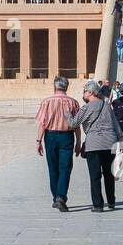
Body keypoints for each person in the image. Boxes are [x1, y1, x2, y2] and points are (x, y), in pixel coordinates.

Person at [65, 80, 120, 212]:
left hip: (94, 144)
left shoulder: (86, 107)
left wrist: (67, 113)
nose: (83, 94)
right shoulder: (107, 105)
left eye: (84, 91)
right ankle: (111, 201)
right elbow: (116, 124)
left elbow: (73, 123)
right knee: (109, 174)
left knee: (95, 176)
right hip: (109, 142)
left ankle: (98, 204)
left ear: (90, 92)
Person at [35, 76, 81, 211]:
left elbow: (43, 124)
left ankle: (56, 197)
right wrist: (79, 141)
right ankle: (60, 196)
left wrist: (38, 141)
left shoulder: (47, 102)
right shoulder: (73, 102)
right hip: (67, 136)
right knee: (65, 168)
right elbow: (76, 125)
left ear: (55, 87)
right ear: (66, 87)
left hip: (50, 136)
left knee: (53, 167)